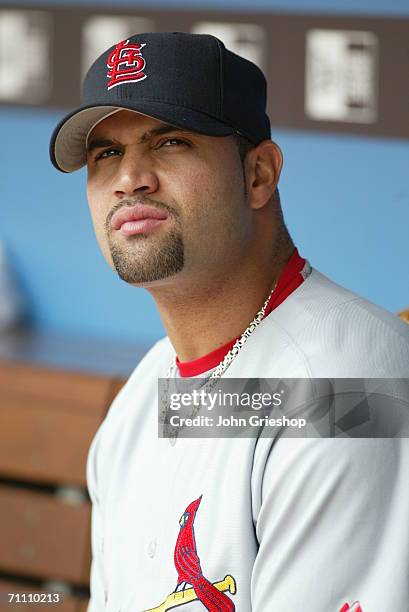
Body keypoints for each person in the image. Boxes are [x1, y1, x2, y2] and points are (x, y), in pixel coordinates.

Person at [50, 32, 409, 612]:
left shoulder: (352, 391)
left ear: (259, 175)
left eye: (170, 142)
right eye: (106, 154)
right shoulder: (145, 395)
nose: (130, 178)